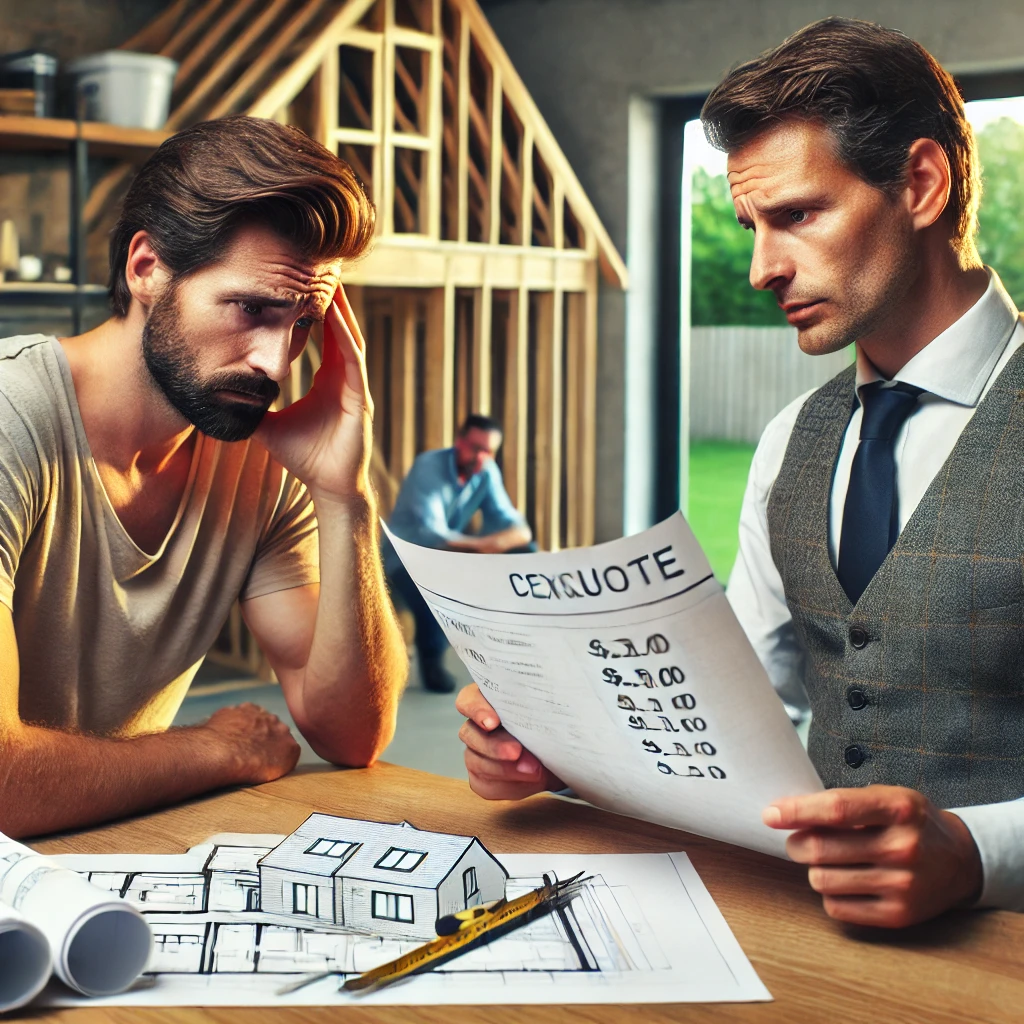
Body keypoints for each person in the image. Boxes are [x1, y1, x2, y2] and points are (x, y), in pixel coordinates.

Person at [454, 18, 1024, 928]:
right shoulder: (790, 439)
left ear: (920, 183)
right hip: (809, 946)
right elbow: (741, 705)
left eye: (797, 215)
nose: (762, 267)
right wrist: (561, 750)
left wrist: (972, 853)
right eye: (751, 225)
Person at [0, 115, 408, 839]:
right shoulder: (12, 420)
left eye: (302, 321)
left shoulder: (257, 454)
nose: (276, 364)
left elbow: (351, 734)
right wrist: (213, 749)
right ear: (147, 268)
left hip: (94, 872)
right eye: (252, 309)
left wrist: (346, 497)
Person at [384, 414, 533, 693]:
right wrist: (488, 546)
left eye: (487, 451)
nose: (480, 456)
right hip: (405, 557)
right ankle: (432, 662)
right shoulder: (429, 467)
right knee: (433, 591)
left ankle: (523, 646)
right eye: (475, 447)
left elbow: (517, 527)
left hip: (449, 556)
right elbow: (433, 535)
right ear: (459, 442)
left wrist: (498, 544)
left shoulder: (486, 471)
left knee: (525, 552)